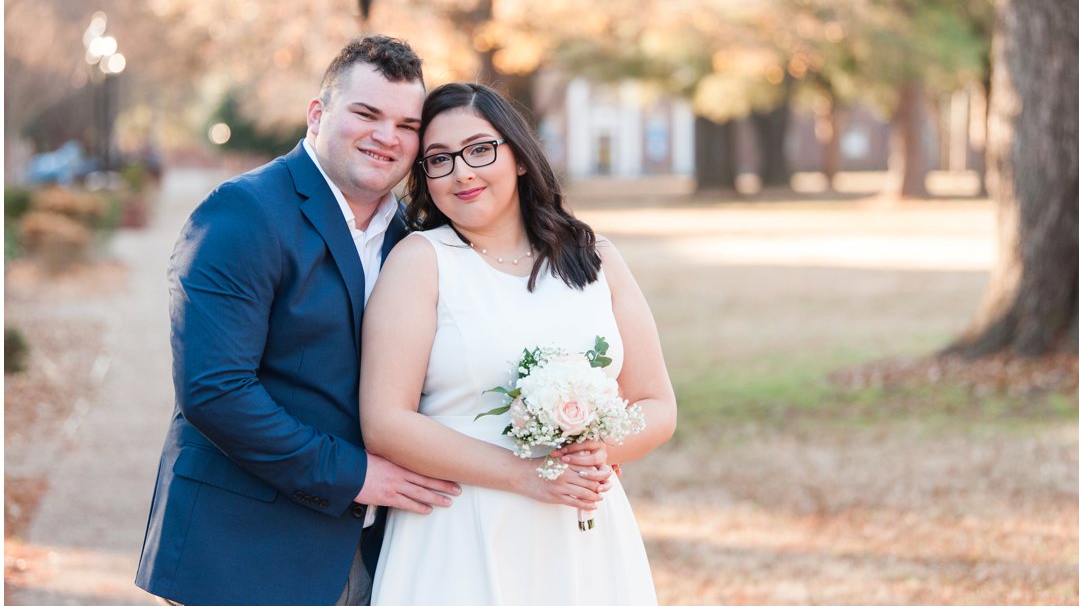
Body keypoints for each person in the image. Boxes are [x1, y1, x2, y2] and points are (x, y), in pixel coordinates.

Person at [135, 36, 462, 606]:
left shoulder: (413, 237)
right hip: (244, 549)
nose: (387, 137)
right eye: (366, 113)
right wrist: (355, 477)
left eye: (407, 125)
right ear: (318, 114)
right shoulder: (243, 213)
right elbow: (215, 390)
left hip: (377, 556)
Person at [360, 82, 677, 605]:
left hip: (583, 528)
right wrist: (527, 476)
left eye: (480, 149)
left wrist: (591, 454)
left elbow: (657, 405)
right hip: (460, 528)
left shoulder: (593, 257)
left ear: (521, 157)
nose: (461, 171)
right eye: (438, 160)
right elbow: (384, 421)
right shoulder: (421, 261)